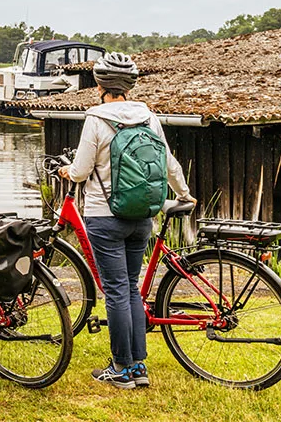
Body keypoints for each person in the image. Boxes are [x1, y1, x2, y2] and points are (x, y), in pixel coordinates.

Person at [58, 52, 196, 389]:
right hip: (142, 216)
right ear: (129, 86)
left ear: (100, 85)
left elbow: (80, 171)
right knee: (131, 289)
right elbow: (168, 162)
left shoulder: (96, 118)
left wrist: (65, 170)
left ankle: (121, 367)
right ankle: (138, 367)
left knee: (116, 292)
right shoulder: (148, 116)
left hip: (106, 218)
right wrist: (184, 194)